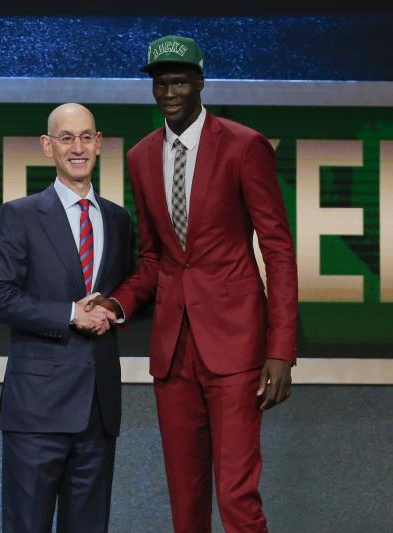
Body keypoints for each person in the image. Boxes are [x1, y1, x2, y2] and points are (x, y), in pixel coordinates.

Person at [91, 35, 298, 532]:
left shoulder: (244, 146)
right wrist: (118, 304)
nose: (169, 90)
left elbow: (278, 250)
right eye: (161, 82)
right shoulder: (141, 156)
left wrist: (281, 349)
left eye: (180, 80)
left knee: (236, 496)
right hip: (173, 349)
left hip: (236, 346)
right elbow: (155, 258)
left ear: (201, 83)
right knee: (186, 502)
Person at [0, 103, 133, 532]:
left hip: (99, 412)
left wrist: (114, 309)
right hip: (36, 413)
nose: (77, 147)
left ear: (99, 144)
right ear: (48, 147)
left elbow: (133, 292)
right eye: (66, 138)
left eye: (86, 137)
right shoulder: (21, 214)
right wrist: (69, 314)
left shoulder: (120, 221)